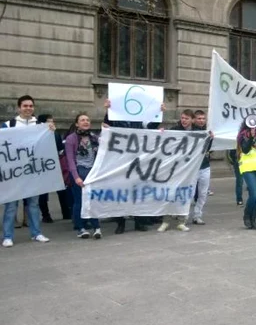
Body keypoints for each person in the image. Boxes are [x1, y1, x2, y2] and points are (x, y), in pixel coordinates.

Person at [103, 99, 161, 233]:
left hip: (137, 162)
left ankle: (139, 222)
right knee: (122, 192)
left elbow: (151, 127)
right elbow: (107, 125)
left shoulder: (138, 121)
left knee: (138, 192)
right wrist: (108, 110)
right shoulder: (116, 120)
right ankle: (120, 223)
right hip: (121, 162)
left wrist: (159, 112)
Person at [1, 95, 51, 247]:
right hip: (14, 173)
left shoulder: (41, 125)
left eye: (31, 106)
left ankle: (36, 233)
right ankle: (8, 236)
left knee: (33, 204)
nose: (28, 108)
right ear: (19, 108)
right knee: (11, 206)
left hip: (33, 171)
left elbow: (50, 146)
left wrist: (51, 132)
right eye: (25, 106)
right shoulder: (8, 125)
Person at [159, 109, 198, 233]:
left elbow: (206, 147)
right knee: (170, 194)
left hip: (189, 169)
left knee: (185, 195)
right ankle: (165, 221)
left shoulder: (198, 132)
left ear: (192, 119)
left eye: (186, 118)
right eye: (182, 118)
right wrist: (161, 133)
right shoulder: (175, 129)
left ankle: (182, 221)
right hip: (174, 168)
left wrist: (211, 138)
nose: (184, 120)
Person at [65, 114, 102, 239]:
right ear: (77, 124)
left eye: (87, 120)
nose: (85, 122)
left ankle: (96, 226)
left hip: (92, 172)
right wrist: (76, 177)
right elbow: (70, 160)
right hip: (79, 171)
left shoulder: (94, 138)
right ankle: (81, 227)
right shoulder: (71, 139)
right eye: (82, 120)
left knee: (93, 200)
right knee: (79, 201)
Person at [36, 114, 72, 223]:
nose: (52, 123)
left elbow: (60, 148)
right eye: (49, 121)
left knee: (61, 190)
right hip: (42, 166)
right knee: (43, 192)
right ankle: (46, 215)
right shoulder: (37, 135)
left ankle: (66, 212)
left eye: (52, 121)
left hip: (55, 165)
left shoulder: (55, 133)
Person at [188, 110, 213, 225]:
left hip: (205, 166)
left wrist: (211, 138)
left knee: (203, 193)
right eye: (199, 118)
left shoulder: (207, 131)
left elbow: (207, 149)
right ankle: (183, 215)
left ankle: (197, 215)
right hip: (193, 168)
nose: (201, 121)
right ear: (194, 119)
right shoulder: (190, 131)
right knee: (190, 192)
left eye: (203, 118)